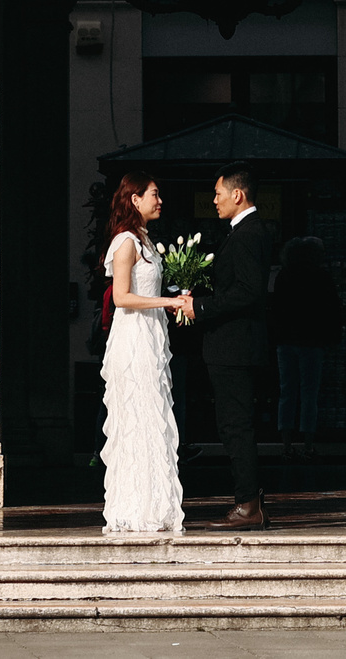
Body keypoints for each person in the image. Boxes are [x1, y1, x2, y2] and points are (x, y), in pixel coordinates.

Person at [98, 172, 194, 534]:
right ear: (135, 199)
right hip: (134, 338)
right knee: (137, 417)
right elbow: (122, 296)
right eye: (154, 194)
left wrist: (172, 296)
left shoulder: (145, 241)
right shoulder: (125, 242)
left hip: (151, 336)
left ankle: (156, 504)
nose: (160, 200)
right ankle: (134, 508)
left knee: (154, 418)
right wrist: (167, 301)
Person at [192, 166, 281, 529]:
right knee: (233, 425)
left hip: (235, 347)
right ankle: (250, 500)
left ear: (237, 195)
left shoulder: (247, 233)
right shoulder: (245, 231)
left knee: (235, 426)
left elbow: (248, 292)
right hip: (233, 346)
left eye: (218, 193)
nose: (213, 200)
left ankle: (248, 505)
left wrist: (200, 307)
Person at [271, 236, 342, 458]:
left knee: (287, 391)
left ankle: (286, 443)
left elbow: (276, 309)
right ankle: (308, 443)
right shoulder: (320, 277)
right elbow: (331, 308)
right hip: (311, 340)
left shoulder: (284, 276)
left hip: (287, 340)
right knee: (309, 393)